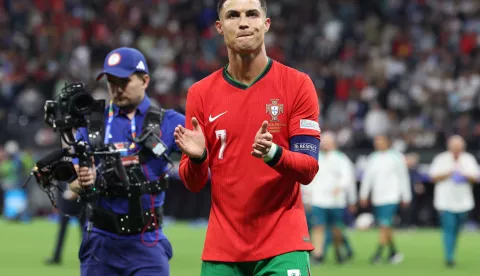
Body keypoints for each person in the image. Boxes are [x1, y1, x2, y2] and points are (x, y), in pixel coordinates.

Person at [174, 0, 321, 275]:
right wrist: (198, 159)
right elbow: (193, 184)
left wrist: (274, 154)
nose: (243, 22)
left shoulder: (298, 84)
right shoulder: (200, 94)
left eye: (252, 14)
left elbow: (308, 168)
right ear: (219, 26)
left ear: (266, 23)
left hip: (283, 245)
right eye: (233, 15)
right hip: (223, 250)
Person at [69, 47, 185, 275]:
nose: (116, 88)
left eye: (123, 81)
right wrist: (83, 180)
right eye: (111, 82)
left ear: (145, 80)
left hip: (146, 242)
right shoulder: (92, 123)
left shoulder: (170, 122)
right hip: (100, 243)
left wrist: (199, 155)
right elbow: (72, 180)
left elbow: (206, 160)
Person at [301, 132, 356, 264]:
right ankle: (318, 255)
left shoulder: (341, 159)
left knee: (336, 229)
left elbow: (347, 177)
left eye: (328, 142)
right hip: (318, 200)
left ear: (333, 143)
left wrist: (340, 187)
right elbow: (309, 178)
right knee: (317, 227)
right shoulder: (315, 158)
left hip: (336, 200)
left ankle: (337, 250)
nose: (325, 144)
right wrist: (307, 195)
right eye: (323, 141)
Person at [359, 134, 411, 265]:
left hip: (392, 196)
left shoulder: (397, 157)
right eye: (376, 141)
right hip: (378, 197)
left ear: (388, 142)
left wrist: (406, 195)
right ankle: (394, 252)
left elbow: (403, 177)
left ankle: (378, 253)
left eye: (381, 141)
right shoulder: (373, 158)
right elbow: (367, 178)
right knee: (386, 226)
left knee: (384, 225)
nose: (378, 143)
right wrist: (364, 194)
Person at [428, 135, 479, 268]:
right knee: (448, 228)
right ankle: (449, 257)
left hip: (463, 201)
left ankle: (452, 250)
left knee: (457, 227)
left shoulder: (468, 159)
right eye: (454, 146)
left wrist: (464, 174)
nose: (456, 149)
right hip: (445, 201)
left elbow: (475, 177)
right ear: (449, 146)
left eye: (459, 146)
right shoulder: (441, 159)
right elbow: (432, 177)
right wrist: (449, 173)